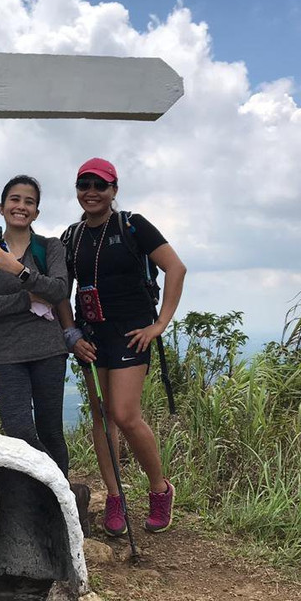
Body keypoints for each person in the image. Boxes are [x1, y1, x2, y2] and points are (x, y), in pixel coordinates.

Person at [57, 157, 186, 537]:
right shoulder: (72, 236)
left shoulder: (133, 225)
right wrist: (71, 334)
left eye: (100, 185)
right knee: (102, 416)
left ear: (114, 190)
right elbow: (61, 290)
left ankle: (160, 489)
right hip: (91, 335)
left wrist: (159, 324)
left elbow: (175, 268)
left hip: (131, 332)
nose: (92, 192)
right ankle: (115, 497)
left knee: (125, 414)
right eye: (84, 185)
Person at [0, 175, 70, 475]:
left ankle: (58, 500)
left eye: (29, 202)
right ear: (1, 207)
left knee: (51, 432)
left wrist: (19, 270)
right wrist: (26, 299)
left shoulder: (49, 247)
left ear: (36, 212)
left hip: (49, 351)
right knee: (19, 433)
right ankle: (58, 488)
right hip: (6, 355)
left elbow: (59, 290)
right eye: (15, 199)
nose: (21, 206)